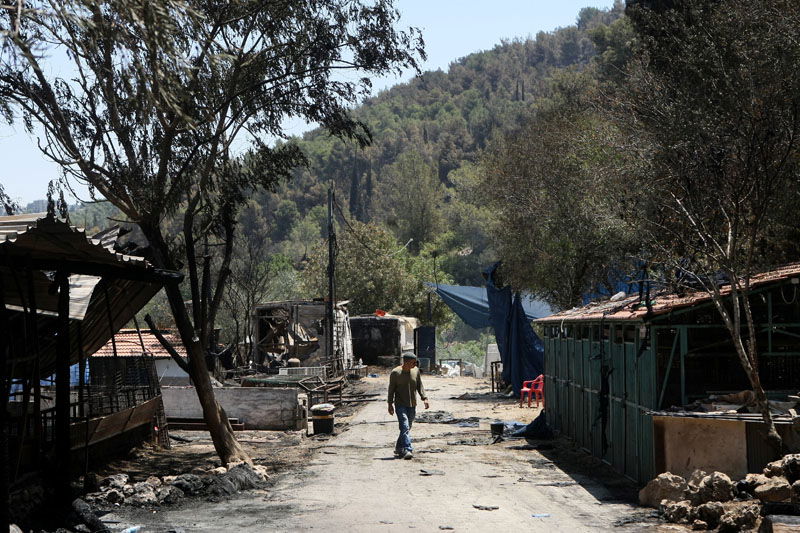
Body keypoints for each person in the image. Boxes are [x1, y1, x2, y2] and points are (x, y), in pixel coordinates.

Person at [387, 351, 429, 460]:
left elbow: (420, 385)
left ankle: (398, 447)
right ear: (405, 362)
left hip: (412, 404)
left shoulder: (415, 371)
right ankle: (407, 449)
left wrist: (424, 398)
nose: (415, 365)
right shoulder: (396, 373)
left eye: (415, 363)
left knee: (407, 427)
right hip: (400, 404)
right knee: (404, 426)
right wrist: (390, 404)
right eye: (413, 363)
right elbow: (391, 390)